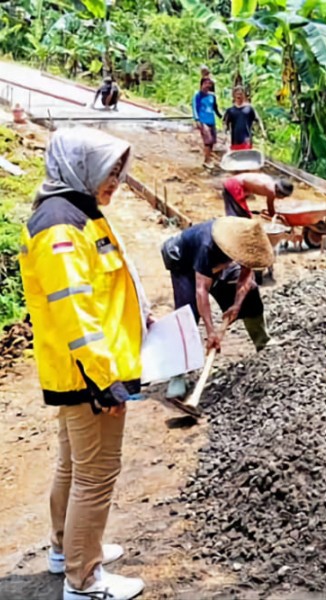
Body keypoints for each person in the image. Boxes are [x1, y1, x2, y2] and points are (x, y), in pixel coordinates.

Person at [19, 127, 149, 600]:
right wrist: (104, 380)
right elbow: (73, 308)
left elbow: (102, 289)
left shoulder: (78, 212)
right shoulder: (61, 223)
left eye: (119, 171)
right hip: (87, 374)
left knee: (73, 466)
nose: (115, 180)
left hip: (82, 369)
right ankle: (84, 579)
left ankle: (65, 550)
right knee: (96, 474)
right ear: (80, 166)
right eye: (109, 171)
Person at [160, 217, 272, 400]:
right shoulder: (208, 245)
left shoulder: (245, 242)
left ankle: (263, 343)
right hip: (184, 261)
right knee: (187, 314)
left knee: (250, 293)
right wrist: (211, 331)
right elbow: (201, 290)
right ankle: (177, 374)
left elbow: (246, 275)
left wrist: (236, 304)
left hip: (218, 264)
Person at [222, 173, 293, 219]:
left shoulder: (271, 183)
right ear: (279, 191)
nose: (282, 198)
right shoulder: (271, 190)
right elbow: (270, 208)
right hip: (234, 186)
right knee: (242, 216)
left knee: (237, 213)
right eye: (283, 196)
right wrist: (277, 217)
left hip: (233, 184)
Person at [192, 77, 223, 167]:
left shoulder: (212, 96)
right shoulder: (197, 95)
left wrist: (221, 117)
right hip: (202, 120)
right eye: (205, 83)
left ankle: (207, 158)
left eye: (209, 84)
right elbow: (195, 108)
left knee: (212, 141)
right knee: (207, 140)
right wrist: (197, 119)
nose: (207, 85)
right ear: (201, 84)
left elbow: (215, 108)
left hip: (211, 120)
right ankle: (207, 160)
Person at [223, 86, 259, 150]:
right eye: (237, 94)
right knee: (236, 158)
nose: (239, 96)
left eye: (240, 94)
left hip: (246, 140)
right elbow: (226, 124)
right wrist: (225, 135)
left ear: (244, 95)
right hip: (235, 141)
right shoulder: (230, 110)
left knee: (246, 158)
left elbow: (257, 120)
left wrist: (260, 133)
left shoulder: (249, 109)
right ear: (234, 95)